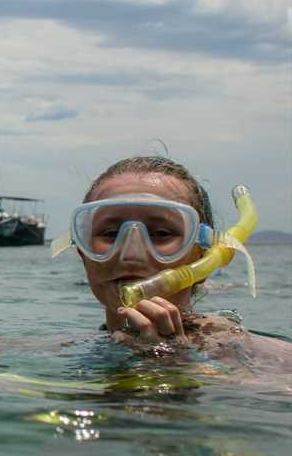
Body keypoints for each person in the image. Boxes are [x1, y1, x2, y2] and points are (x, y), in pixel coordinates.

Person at [54, 156, 290, 365]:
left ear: (205, 258)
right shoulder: (58, 352)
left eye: (162, 234)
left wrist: (179, 364)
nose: (131, 254)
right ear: (83, 255)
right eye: (110, 234)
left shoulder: (268, 361)